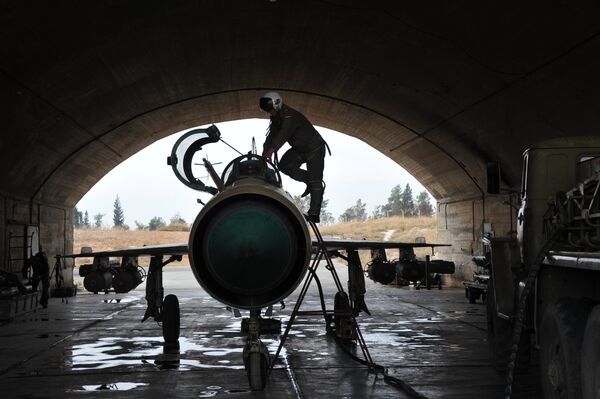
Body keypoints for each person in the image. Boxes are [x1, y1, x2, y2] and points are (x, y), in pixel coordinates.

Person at [260, 92, 329, 223]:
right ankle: (311, 180)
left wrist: (270, 152)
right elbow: (270, 138)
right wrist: (263, 156)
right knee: (284, 166)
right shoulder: (276, 118)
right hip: (299, 149)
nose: (269, 113)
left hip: (315, 148)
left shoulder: (289, 116)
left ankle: (314, 214)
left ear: (277, 104)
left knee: (316, 181)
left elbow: (282, 136)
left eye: (270, 109)